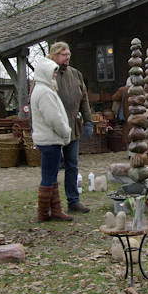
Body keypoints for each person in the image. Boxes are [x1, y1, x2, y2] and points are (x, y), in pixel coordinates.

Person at [49, 42, 94, 213]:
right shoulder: (48, 75)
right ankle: (53, 205)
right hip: (54, 130)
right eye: (62, 54)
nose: (67, 57)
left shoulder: (76, 74)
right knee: (53, 168)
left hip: (73, 128)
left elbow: (84, 99)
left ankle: (73, 200)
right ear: (54, 56)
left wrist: (88, 121)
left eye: (68, 54)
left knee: (72, 165)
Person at [31, 58, 73, 222]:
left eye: (55, 72)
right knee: (48, 177)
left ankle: (55, 210)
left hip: (48, 141)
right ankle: (43, 213)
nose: (55, 75)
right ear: (45, 73)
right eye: (52, 72)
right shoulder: (44, 92)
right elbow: (54, 119)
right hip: (49, 141)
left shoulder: (42, 89)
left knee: (51, 176)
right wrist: (65, 132)